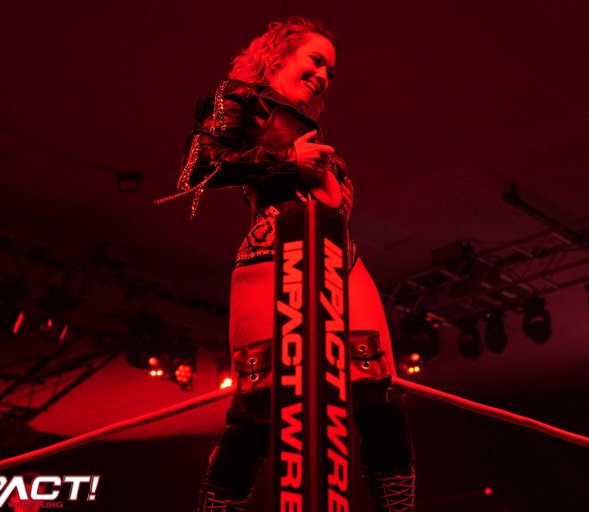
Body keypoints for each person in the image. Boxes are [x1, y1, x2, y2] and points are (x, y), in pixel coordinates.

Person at [157, 16, 415, 512]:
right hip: (272, 252)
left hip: (341, 259)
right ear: (278, 52)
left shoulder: (308, 127)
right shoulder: (235, 95)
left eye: (331, 71)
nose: (323, 76)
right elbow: (197, 165)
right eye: (316, 60)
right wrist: (285, 162)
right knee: (258, 402)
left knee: (378, 389)